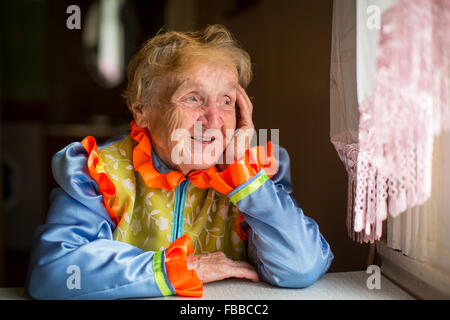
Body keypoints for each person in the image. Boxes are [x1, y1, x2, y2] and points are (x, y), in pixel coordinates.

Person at [26, 24, 334, 299]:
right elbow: (55, 273)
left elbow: (301, 266)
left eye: (226, 101)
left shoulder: (251, 174)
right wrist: (181, 269)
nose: (214, 120)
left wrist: (247, 180)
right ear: (141, 110)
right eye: (193, 98)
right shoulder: (99, 171)